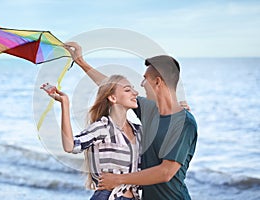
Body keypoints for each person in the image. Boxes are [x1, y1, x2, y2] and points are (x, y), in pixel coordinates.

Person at [65, 42, 198, 200]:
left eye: (145, 79)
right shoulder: (149, 111)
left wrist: (118, 179)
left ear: (157, 82)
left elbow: (166, 172)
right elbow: (112, 88)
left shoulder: (184, 122)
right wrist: (81, 62)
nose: (141, 85)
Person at [46, 75, 142, 200]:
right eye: (128, 90)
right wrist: (65, 104)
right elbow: (70, 146)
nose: (135, 93)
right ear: (113, 98)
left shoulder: (139, 131)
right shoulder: (102, 127)